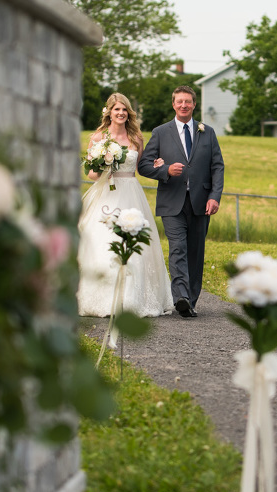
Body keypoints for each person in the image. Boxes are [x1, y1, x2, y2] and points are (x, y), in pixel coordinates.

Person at [77, 93, 174, 318]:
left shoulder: (136, 138)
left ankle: (132, 300)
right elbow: (91, 174)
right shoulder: (98, 138)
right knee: (104, 240)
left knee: (135, 244)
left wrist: (158, 164)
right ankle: (103, 298)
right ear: (109, 112)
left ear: (128, 113)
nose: (120, 113)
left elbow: (142, 168)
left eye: (124, 110)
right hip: (107, 194)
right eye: (116, 110)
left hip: (131, 192)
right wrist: (103, 163)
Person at [138, 85, 225, 318]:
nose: (184, 105)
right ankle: (181, 297)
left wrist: (214, 197)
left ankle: (191, 301)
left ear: (194, 104)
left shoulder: (207, 132)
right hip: (171, 202)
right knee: (178, 248)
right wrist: (166, 170)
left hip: (200, 203)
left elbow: (217, 166)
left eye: (188, 101)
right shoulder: (160, 132)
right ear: (173, 104)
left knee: (195, 253)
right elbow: (144, 165)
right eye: (179, 101)